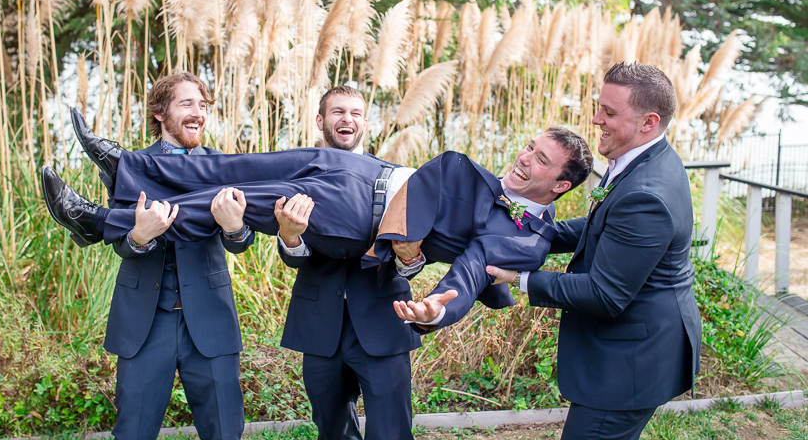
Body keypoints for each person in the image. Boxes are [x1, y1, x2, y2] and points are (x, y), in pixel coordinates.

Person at [42, 124, 594, 317]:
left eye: (540, 160)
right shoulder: (504, 180)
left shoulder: (522, 242)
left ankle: (99, 222)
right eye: (529, 147)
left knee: (232, 198)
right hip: (363, 170)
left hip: (360, 215)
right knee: (239, 163)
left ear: (561, 185)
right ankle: (126, 167)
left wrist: (432, 308)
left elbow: (469, 277)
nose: (524, 158)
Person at [488, 62, 703, 440]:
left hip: (631, 361)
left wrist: (520, 278)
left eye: (608, 112)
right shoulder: (646, 158)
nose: (595, 119)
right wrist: (537, 229)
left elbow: (606, 295)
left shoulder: (647, 195)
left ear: (648, 121)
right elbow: (603, 228)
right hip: (642, 346)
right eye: (597, 106)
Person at [42, 73, 253, 440]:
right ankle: (92, 219)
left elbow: (242, 242)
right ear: (159, 113)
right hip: (145, 321)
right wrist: (138, 235)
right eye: (187, 104)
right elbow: (124, 246)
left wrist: (233, 228)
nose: (198, 113)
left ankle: (88, 220)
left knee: (226, 438)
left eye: (203, 106)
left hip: (208, 322)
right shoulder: (133, 171)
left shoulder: (223, 167)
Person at [273, 85, 421, 440]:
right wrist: (289, 235)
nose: (347, 120)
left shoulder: (393, 180)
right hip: (319, 325)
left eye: (356, 113)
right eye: (338, 112)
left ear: (365, 123)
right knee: (333, 437)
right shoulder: (297, 176)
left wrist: (410, 260)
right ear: (320, 121)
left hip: (381, 322)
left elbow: (414, 254)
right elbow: (293, 255)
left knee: (392, 438)